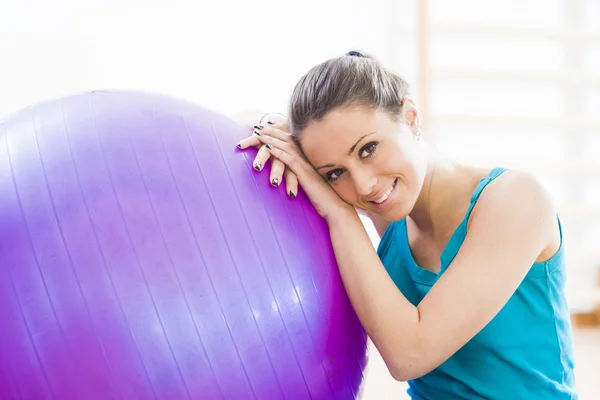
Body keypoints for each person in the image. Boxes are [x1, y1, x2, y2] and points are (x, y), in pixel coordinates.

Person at [235, 51, 577, 399]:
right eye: (335, 173)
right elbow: (242, 120)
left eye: (368, 149)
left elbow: (409, 354)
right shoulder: (390, 207)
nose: (364, 186)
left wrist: (339, 213)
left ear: (411, 117)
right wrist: (273, 128)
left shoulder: (517, 200)